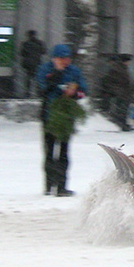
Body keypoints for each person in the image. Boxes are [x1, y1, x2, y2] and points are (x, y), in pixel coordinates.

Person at [36, 44, 88, 196]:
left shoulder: (74, 71)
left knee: (64, 153)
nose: (65, 62)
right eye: (62, 59)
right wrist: (57, 74)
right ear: (54, 58)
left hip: (66, 117)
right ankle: (49, 185)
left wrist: (74, 93)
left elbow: (83, 90)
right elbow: (43, 89)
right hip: (49, 116)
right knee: (49, 152)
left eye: (67, 58)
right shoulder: (45, 70)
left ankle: (61, 186)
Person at [100, 53, 134, 132]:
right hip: (121, 93)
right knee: (122, 110)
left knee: (123, 110)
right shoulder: (118, 69)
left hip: (122, 93)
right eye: (128, 61)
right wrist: (119, 91)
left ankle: (123, 124)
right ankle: (122, 124)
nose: (129, 63)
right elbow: (115, 81)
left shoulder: (121, 68)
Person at [19, 30, 46, 97]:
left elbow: (22, 53)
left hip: (28, 64)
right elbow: (44, 51)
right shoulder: (40, 43)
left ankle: (27, 92)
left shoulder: (26, 43)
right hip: (37, 63)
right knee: (38, 78)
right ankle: (39, 92)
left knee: (28, 79)